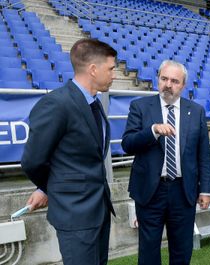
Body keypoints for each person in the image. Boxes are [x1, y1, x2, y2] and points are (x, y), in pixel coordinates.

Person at [21, 38, 117, 265]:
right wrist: (48, 187)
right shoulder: (56, 104)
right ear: (93, 69)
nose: (114, 74)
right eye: (111, 69)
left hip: (99, 211)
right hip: (75, 215)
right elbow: (32, 161)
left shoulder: (93, 103)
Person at [122, 60, 210, 265]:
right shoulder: (140, 107)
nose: (168, 85)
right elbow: (128, 144)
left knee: (182, 251)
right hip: (150, 192)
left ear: (183, 85)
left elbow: (203, 155)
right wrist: (152, 131)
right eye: (164, 79)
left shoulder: (196, 111)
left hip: (183, 191)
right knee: (148, 252)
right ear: (157, 79)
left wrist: (206, 189)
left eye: (174, 81)